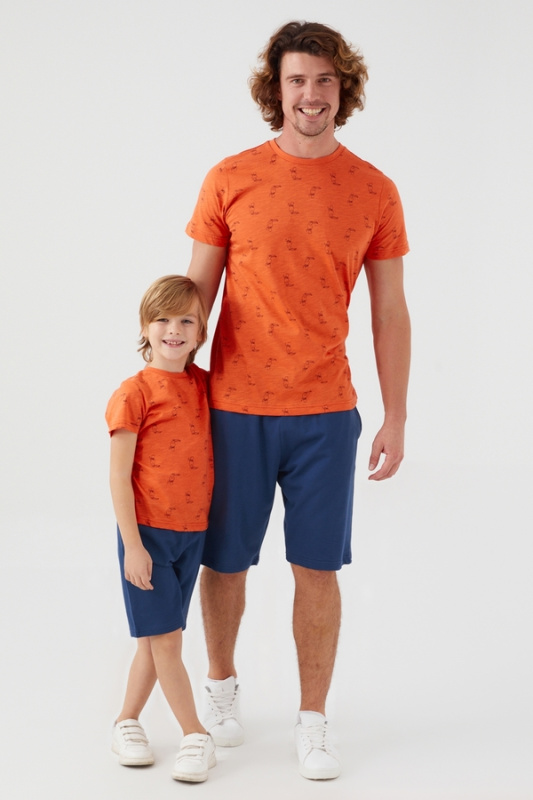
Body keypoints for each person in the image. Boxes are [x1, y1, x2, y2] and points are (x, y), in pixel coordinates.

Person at [186, 20, 411, 780]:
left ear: (342, 89)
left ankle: (313, 720)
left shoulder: (374, 190)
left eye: (323, 80)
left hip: (324, 414)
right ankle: (220, 688)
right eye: (296, 81)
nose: (309, 95)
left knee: (317, 569)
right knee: (225, 562)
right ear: (274, 89)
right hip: (233, 408)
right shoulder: (230, 177)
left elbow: (389, 311)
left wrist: (396, 414)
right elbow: (196, 297)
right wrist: (167, 395)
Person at [105, 275, 217, 783]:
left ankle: (126, 721)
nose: (174, 330)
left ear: (201, 332)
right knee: (167, 640)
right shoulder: (134, 393)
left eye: (186, 320)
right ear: (145, 327)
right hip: (147, 537)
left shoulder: (203, 386)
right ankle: (196, 734)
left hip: (192, 534)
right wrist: (133, 546)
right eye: (163, 319)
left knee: (154, 641)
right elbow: (118, 476)